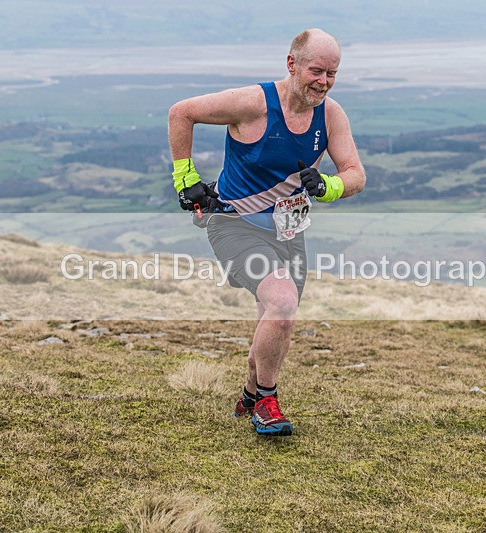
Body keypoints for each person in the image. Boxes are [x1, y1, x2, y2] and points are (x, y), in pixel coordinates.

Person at [167, 28, 365, 436]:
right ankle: (267, 404)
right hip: (234, 223)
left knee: (275, 317)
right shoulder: (253, 104)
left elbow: (355, 175)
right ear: (291, 64)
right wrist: (185, 179)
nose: (323, 82)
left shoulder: (330, 115)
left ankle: (249, 392)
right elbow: (181, 112)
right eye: (316, 71)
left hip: (289, 232)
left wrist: (328, 187)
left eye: (332, 73)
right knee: (282, 301)